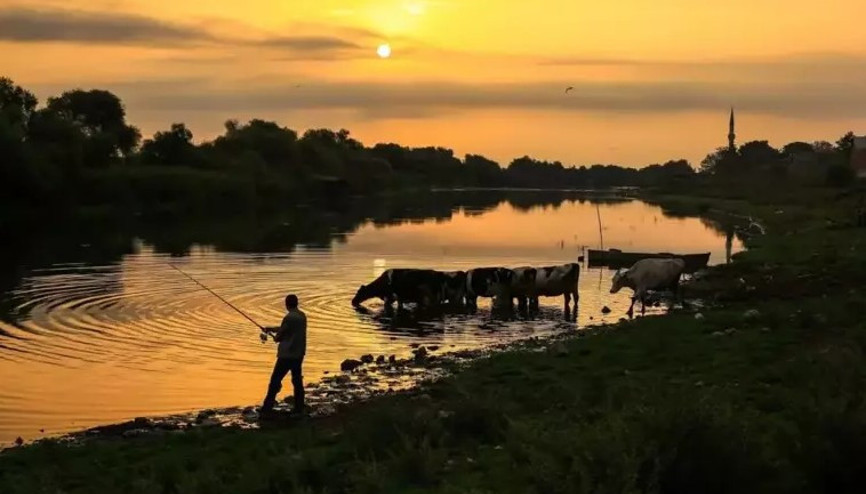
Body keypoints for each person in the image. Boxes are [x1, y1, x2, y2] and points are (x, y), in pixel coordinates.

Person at [261, 294, 306, 415]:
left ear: (286, 304)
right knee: (297, 381)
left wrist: (275, 337)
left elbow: (279, 337)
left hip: (286, 355)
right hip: (299, 354)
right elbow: (286, 329)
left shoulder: (288, 317)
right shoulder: (302, 316)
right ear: (296, 303)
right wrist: (270, 329)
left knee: (275, 380)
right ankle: (299, 406)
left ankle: (267, 407)